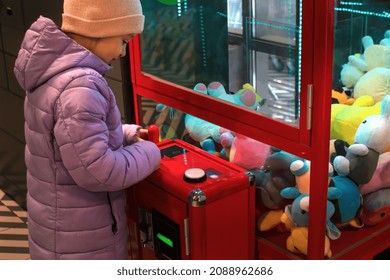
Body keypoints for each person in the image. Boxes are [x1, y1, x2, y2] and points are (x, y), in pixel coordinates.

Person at [13, 0, 161, 260]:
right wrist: (150, 152)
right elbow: (100, 172)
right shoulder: (81, 86)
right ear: (98, 29)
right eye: (124, 40)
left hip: (59, 227)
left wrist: (126, 134)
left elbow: (67, 139)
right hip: (81, 241)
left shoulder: (53, 72)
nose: (124, 52)